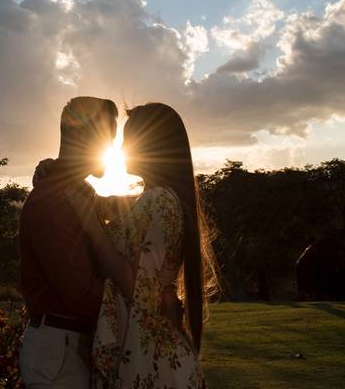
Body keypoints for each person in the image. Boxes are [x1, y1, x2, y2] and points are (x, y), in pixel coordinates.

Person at [67, 102, 218, 389]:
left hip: (153, 365)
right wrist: (58, 169)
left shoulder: (159, 200)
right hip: (156, 358)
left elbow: (139, 286)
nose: (121, 147)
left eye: (128, 139)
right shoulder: (156, 199)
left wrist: (91, 226)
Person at [18, 96, 119, 388]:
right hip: (59, 352)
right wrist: (141, 301)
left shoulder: (79, 192)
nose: (113, 148)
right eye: (109, 138)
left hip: (69, 345)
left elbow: (118, 209)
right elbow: (82, 295)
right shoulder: (54, 200)